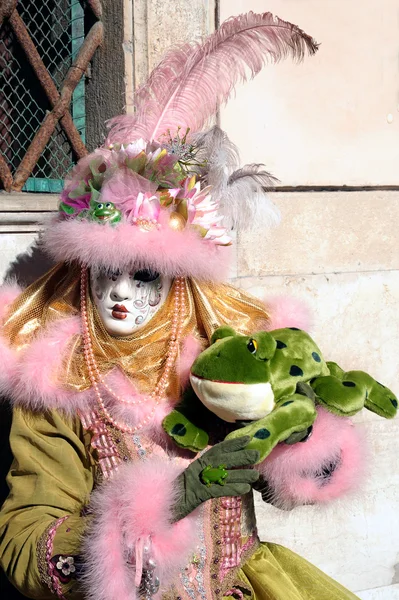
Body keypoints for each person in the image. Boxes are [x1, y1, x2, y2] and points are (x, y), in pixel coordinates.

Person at [0, 10, 394, 600]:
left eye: (146, 274)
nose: (121, 294)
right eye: (106, 273)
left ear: (181, 281)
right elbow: (23, 542)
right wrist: (164, 506)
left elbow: (305, 479)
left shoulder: (231, 352)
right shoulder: (58, 383)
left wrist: (294, 438)